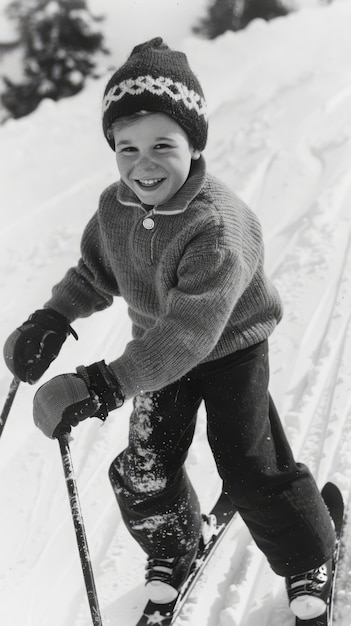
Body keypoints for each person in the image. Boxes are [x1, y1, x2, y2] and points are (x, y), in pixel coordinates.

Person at [3, 37, 335, 620]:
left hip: (230, 347)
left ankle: (310, 557)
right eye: (126, 148)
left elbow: (191, 332)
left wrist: (102, 384)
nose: (143, 164)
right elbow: (94, 272)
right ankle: (173, 547)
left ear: (194, 144)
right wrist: (54, 315)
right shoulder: (116, 208)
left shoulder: (218, 226)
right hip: (158, 350)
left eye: (163, 144)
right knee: (142, 472)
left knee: (251, 469)